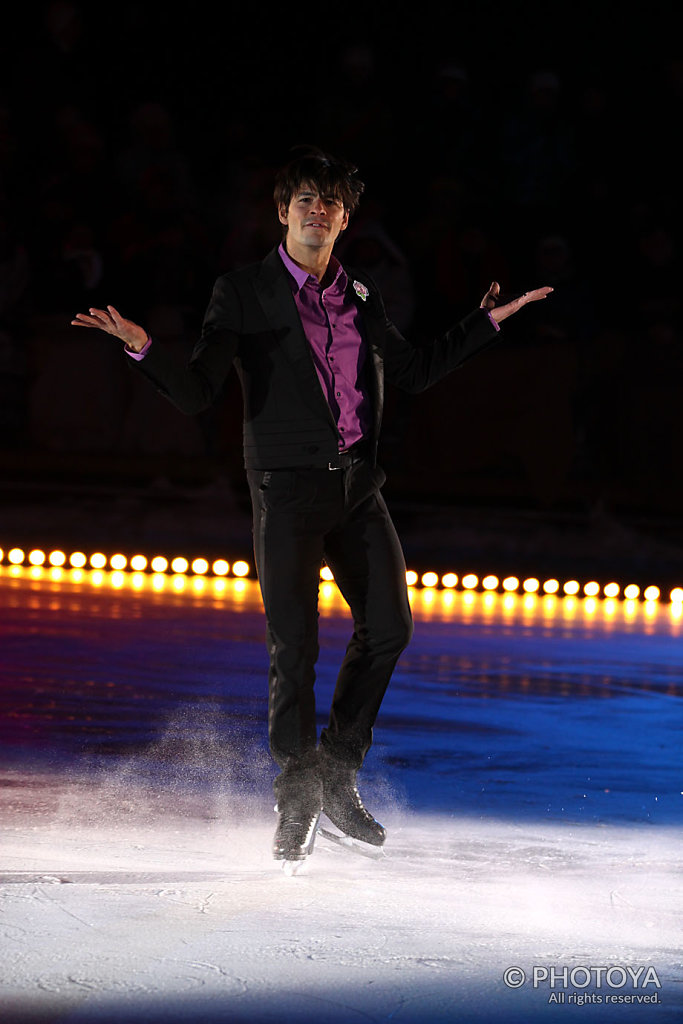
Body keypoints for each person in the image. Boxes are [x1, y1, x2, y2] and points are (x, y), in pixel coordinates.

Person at [72, 147, 552, 866]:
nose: (316, 210)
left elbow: (413, 371)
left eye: (329, 201)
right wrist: (144, 348)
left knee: (388, 627)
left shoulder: (361, 295)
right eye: (304, 198)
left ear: (345, 218)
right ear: (282, 210)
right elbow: (201, 391)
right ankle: (296, 790)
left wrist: (482, 325)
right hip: (287, 490)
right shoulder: (242, 291)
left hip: (357, 487)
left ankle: (335, 770)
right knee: (294, 648)